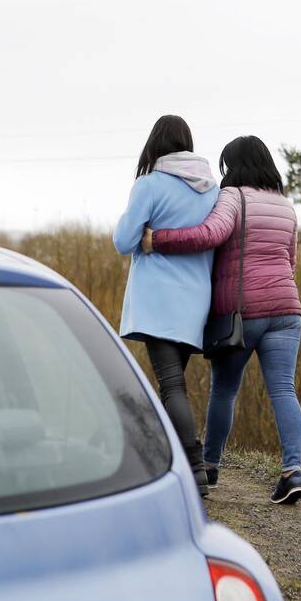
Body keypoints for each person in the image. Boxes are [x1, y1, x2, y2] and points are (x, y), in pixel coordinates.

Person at [143, 135, 301, 504]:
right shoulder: (286, 206)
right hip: (286, 309)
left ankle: (211, 464)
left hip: (241, 312)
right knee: (284, 390)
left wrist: (160, 240)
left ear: (232, 166)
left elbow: (210, 234)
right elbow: (290, 262)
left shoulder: (233, 197)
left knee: (225, 390)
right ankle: (292, 471)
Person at [113, 114, 218, 497]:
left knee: (172, 385)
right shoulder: (211, 188)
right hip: (195, 304)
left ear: (156, 143)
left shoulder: (149, 184)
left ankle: (193, 468)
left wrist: (137, 227)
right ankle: (159, 461)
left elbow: (124, 241)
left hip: (158, 301)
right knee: (169, 385)